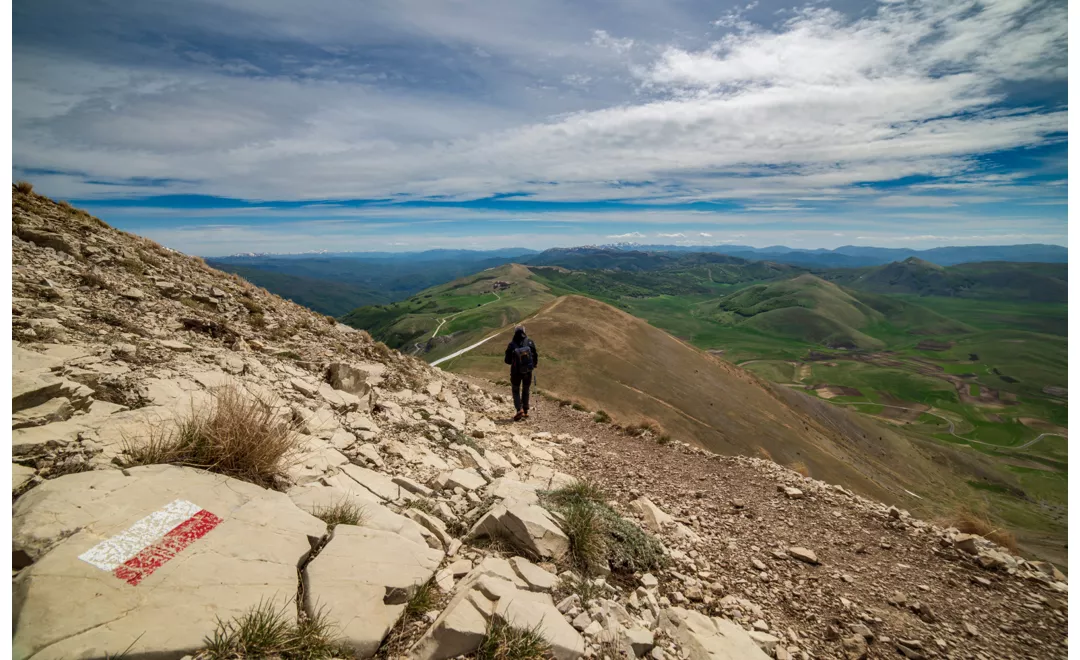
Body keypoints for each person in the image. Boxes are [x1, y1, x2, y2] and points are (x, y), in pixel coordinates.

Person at [504, 325, 538, 421]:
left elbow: (507, 360)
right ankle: (526, 410)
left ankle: (519, 409)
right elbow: (535, 355)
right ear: (524, 331)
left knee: (515, 390)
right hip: (528, 370)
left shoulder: (511, 345)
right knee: (526, 389)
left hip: (515, 372)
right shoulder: (530, 342)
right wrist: (533, 364)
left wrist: (515, 361)